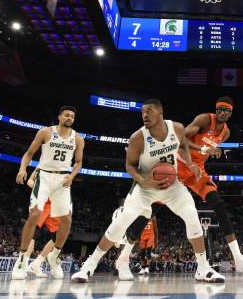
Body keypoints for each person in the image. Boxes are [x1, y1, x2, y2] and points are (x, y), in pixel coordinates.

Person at [71, 99, 225, 283]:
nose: (145, 115)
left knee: (192, 215)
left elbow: (184, 145)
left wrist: (190, 164)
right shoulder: (137, 138)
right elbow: (129, 165)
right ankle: (88, 266)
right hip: (145, 187)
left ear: (160, 113)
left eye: (149, 111)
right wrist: (145, 181)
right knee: (123, 220)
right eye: (143, 112)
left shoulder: (176, 128)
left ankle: (203, 268)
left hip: (172, 184)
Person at [122, 97, 243, 273]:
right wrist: (204, 149)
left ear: (231, 113)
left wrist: (210, 153)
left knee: (218, 204)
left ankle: (238, 258)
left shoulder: (226, 133)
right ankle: (124, 255)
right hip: (176, 167)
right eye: (220, 109)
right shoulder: (205, 120)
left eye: (227, 110)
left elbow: (206, 153)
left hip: (196, 171)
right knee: (149, 211)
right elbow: (181, 137)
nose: (223, 112)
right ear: (216, 110)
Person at [12, 106, 85, 280]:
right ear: (59, 117)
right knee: (35, 214)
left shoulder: (78, 139)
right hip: (44, 176)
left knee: (67, 219)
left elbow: (79, 163)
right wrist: (23, 169)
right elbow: (29, 154)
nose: (70, 118)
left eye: (73, 116)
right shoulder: (45, 132)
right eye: (67, 115)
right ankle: (22, 260)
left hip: (62, 180)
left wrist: (72, 176)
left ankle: (54, 255)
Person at [25, 169, 65, 278]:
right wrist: (42, 192)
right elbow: (29, 182)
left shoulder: (60, 168)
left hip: (53, 205)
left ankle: (36, 264)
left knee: (57, 237)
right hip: (40, 202)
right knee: (34, 233)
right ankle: (23, 264)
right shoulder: (40, 167)